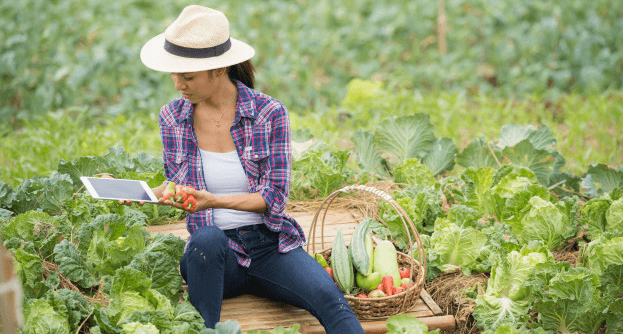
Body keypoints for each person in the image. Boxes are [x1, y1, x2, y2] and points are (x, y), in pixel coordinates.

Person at [127, 5, 365, 333]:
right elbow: (180, 185)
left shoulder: (269, 114)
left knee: (332, 302)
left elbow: (273, 197)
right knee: (207, 242)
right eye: (175, 73)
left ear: (218, 69)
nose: (178, 84)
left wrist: (213, 200)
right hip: (213, 257)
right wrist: (145, 194)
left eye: (188, 76)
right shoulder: (172, 117)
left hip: (269, 247)